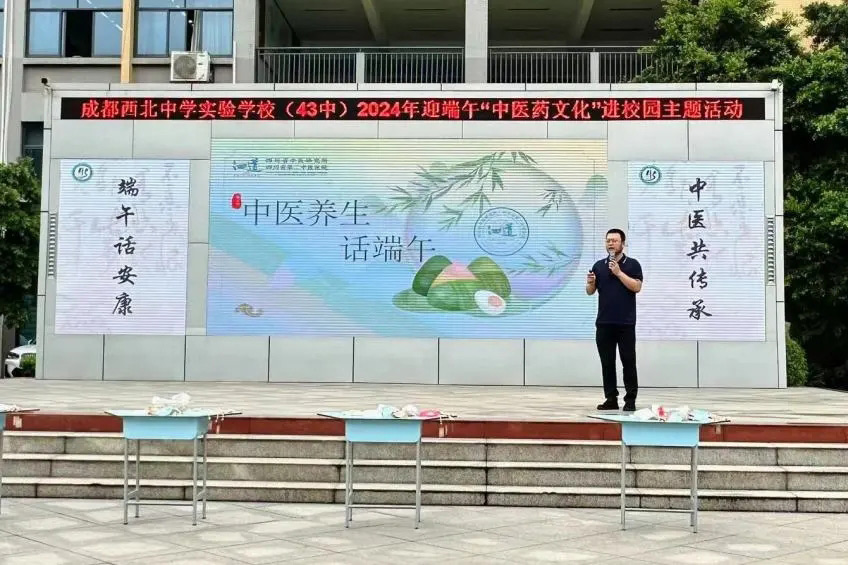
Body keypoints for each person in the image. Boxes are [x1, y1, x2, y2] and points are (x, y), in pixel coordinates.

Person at [586, 228, 643, 412]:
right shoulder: (599, 265)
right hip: (604, 323)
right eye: (608, 240)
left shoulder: (632, 264)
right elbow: (590, 292)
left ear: (622, 244)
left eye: (614, 240)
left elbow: (637, 287)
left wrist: (619, 273)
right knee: (607, 363)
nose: (610, 243)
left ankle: (630, 399)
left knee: (628, 361)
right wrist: (590, 283)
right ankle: (611, 398)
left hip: (625, 323)